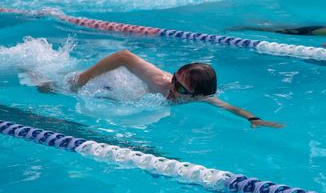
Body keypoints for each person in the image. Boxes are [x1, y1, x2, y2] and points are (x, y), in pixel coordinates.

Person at [63, 50, 283, 129]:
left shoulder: (200, 99)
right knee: (52, 87)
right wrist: (80, 81)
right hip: (102, 85)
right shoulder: (161, 81)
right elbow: (123, 56)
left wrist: (253, 119)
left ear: (196, 96)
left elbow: (229, 107)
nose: (172, 86)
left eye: (180, 87)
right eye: (175, 79)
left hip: (115, 95)